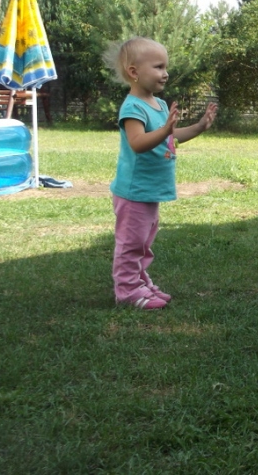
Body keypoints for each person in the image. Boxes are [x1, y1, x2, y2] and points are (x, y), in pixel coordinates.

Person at [104, 37, 217, 310]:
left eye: (165, 66)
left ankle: (140, 282)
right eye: (158, 66)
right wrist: (164, 131)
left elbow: (171, 137)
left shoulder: (159, 105)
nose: (165, 73)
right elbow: (138, 142)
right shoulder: (133, 107)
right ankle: (128, 292)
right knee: (131, 244)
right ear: (134, 72)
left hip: (150, 189)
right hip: (134, 192)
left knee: (143, 243)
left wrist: (198, 127)